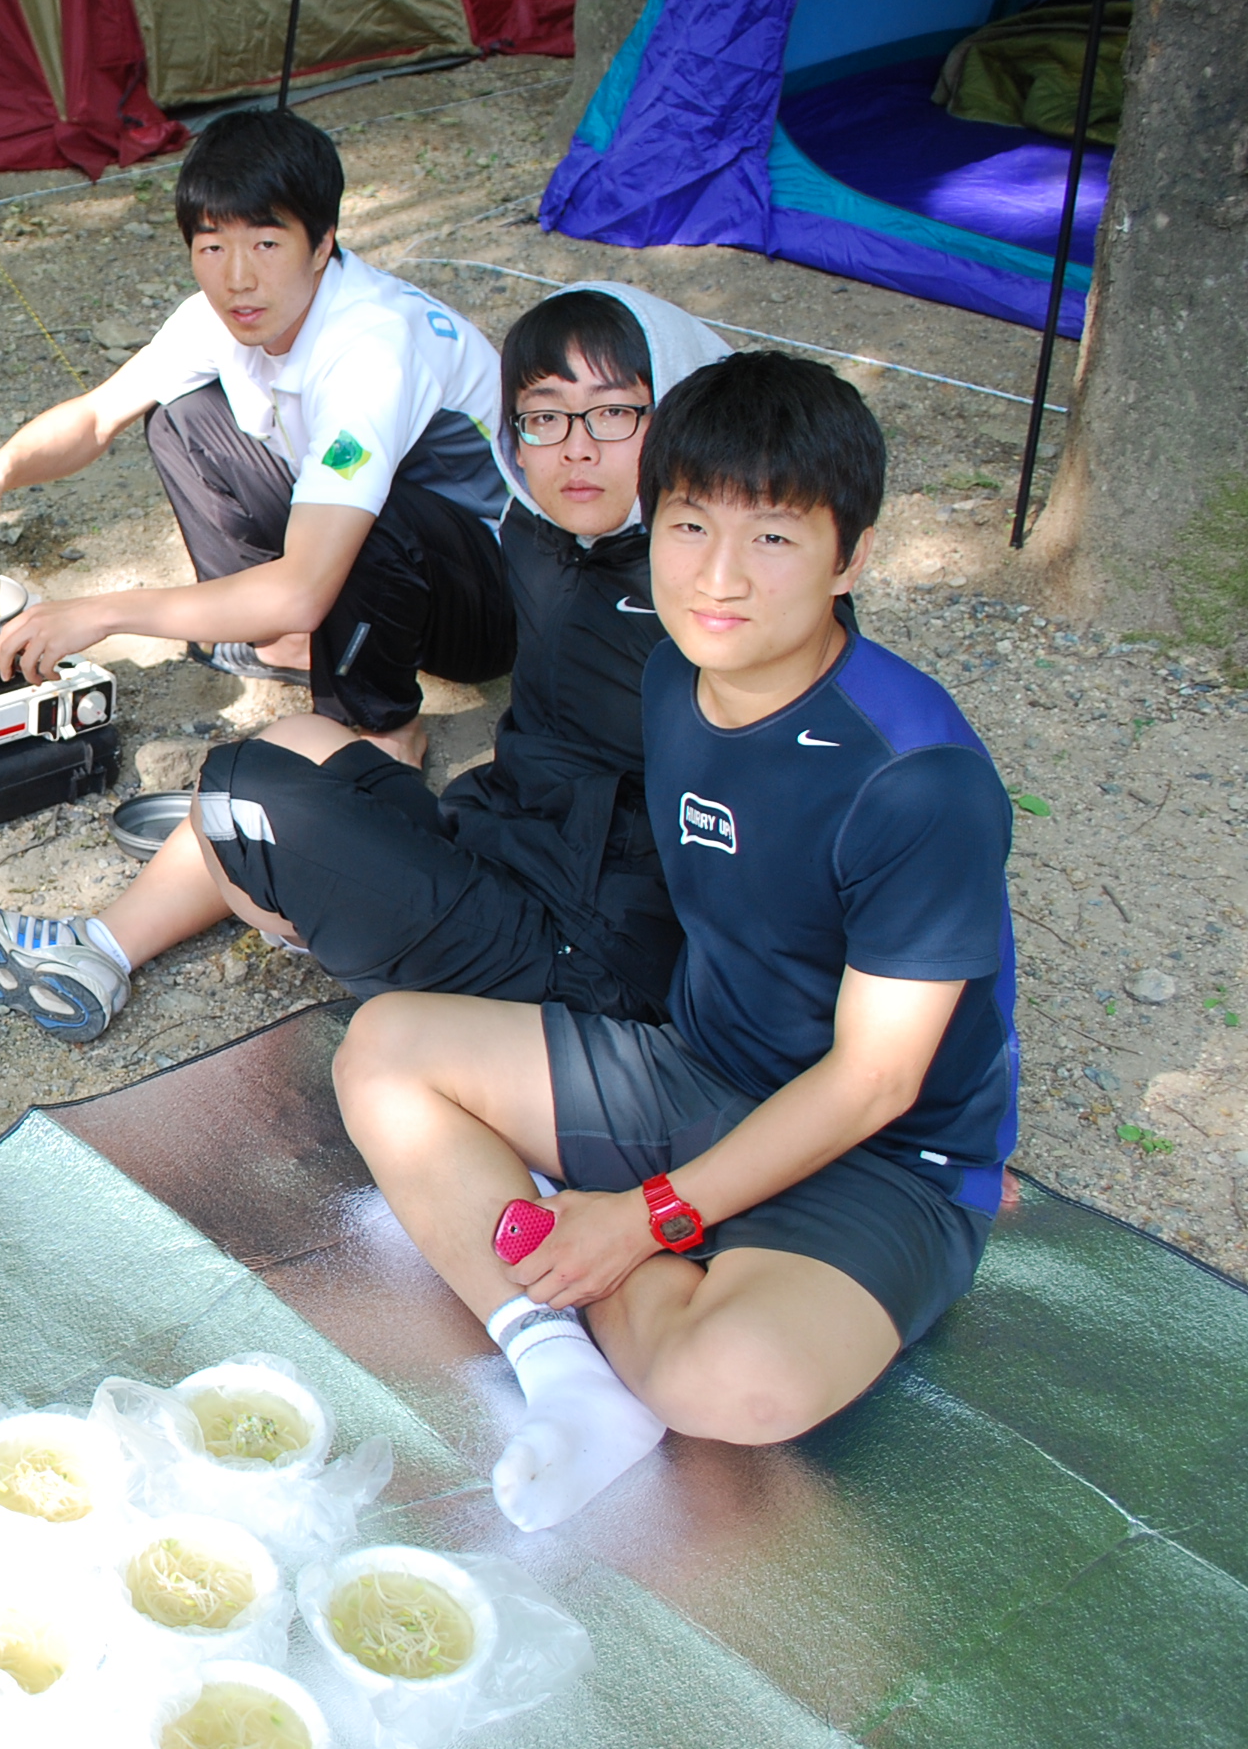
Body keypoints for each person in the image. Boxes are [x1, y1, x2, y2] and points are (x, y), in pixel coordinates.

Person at [334, 354, 1017, 1533]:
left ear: (850, 557)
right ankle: (564, 1374)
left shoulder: (916, 781)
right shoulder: (672, 677)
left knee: (732, 1384)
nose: (718, 576)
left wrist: (643, 1217)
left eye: (773, 538)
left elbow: (876, 1079)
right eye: (690, 524)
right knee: (383, 1050)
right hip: (699, 1072)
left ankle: (578, 1237)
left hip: (883, 1159)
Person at [0, 285, 726, 1043]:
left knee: (239, 793)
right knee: (299, 743)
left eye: (614, 413)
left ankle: (328, 913)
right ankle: (96, 953)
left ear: (677, 418)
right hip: (500, 855)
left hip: (584, 951)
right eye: (545, 418)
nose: (577, 448)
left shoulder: (703, 593)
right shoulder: (545, 537)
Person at [0, 108, 513, 766]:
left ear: (322, 245)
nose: (237, 278)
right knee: (182, 416)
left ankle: (383, 724)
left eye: (267, 244)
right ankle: (281, 642)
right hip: (384, 553)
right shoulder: (221, 317)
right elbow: (96, 417)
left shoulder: (372, 350)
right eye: (212, 246)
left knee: (364, 517)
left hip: (488, 598)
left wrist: (103, 612)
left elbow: (306, 588)